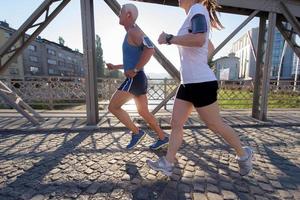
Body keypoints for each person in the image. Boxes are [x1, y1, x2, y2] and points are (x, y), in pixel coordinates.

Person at [147, 0, 253, 176]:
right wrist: (198, 61)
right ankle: (168, 163)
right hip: (187, 83)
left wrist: (169, 38)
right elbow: (208, 45)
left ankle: (244, 155)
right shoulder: (192, 15)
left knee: (214, 124)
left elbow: (199, 39)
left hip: (201, 83)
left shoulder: (197, 9)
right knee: (176, 123)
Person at [107, 3, 169, 150]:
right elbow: (132, 61)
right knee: (143, 112)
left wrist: (135, 69)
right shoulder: (132, 32)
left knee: (113, 107)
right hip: (139, 78)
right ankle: (163, 137)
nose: (118, 15)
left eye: (120, 12)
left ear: (128, 14)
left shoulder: (134, 32)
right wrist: (116, 67)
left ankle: (136, 132)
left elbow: (150, 49)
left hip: (135, 79)